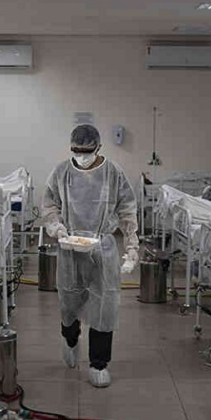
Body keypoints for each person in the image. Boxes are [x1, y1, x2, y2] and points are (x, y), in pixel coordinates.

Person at [41, 125, 139, 388]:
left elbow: (129, 211)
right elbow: (50, 205)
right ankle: (70, 338)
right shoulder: (61, 172)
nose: (81, 156)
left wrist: (131, 249)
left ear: (98, 148)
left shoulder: (113, 173)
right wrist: (57, 228)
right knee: (69, 302)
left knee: (104, 306)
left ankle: (99, 363)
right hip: (69, 245)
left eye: (86, 151)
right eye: (77, 151)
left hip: (102, 247)